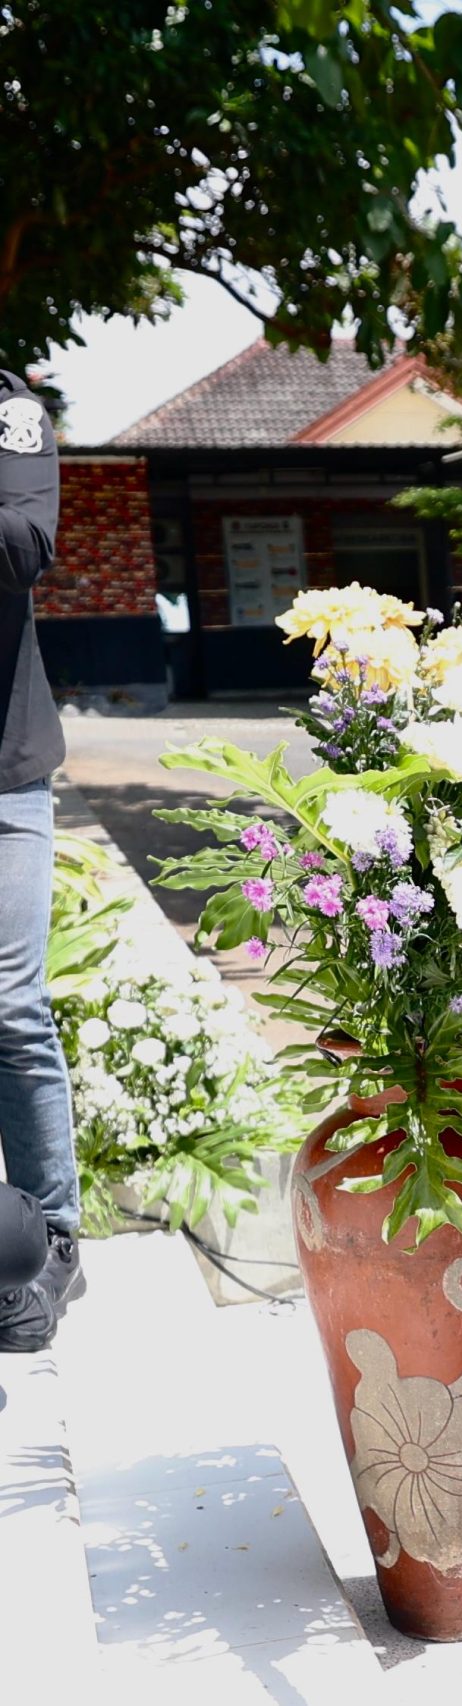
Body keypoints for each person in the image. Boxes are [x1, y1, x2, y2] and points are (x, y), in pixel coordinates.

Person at [0, 370, 75, 1354]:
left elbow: (24, 545)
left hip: (4, 769)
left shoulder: (9, 408)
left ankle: (52, 1234)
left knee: (9, 1002)